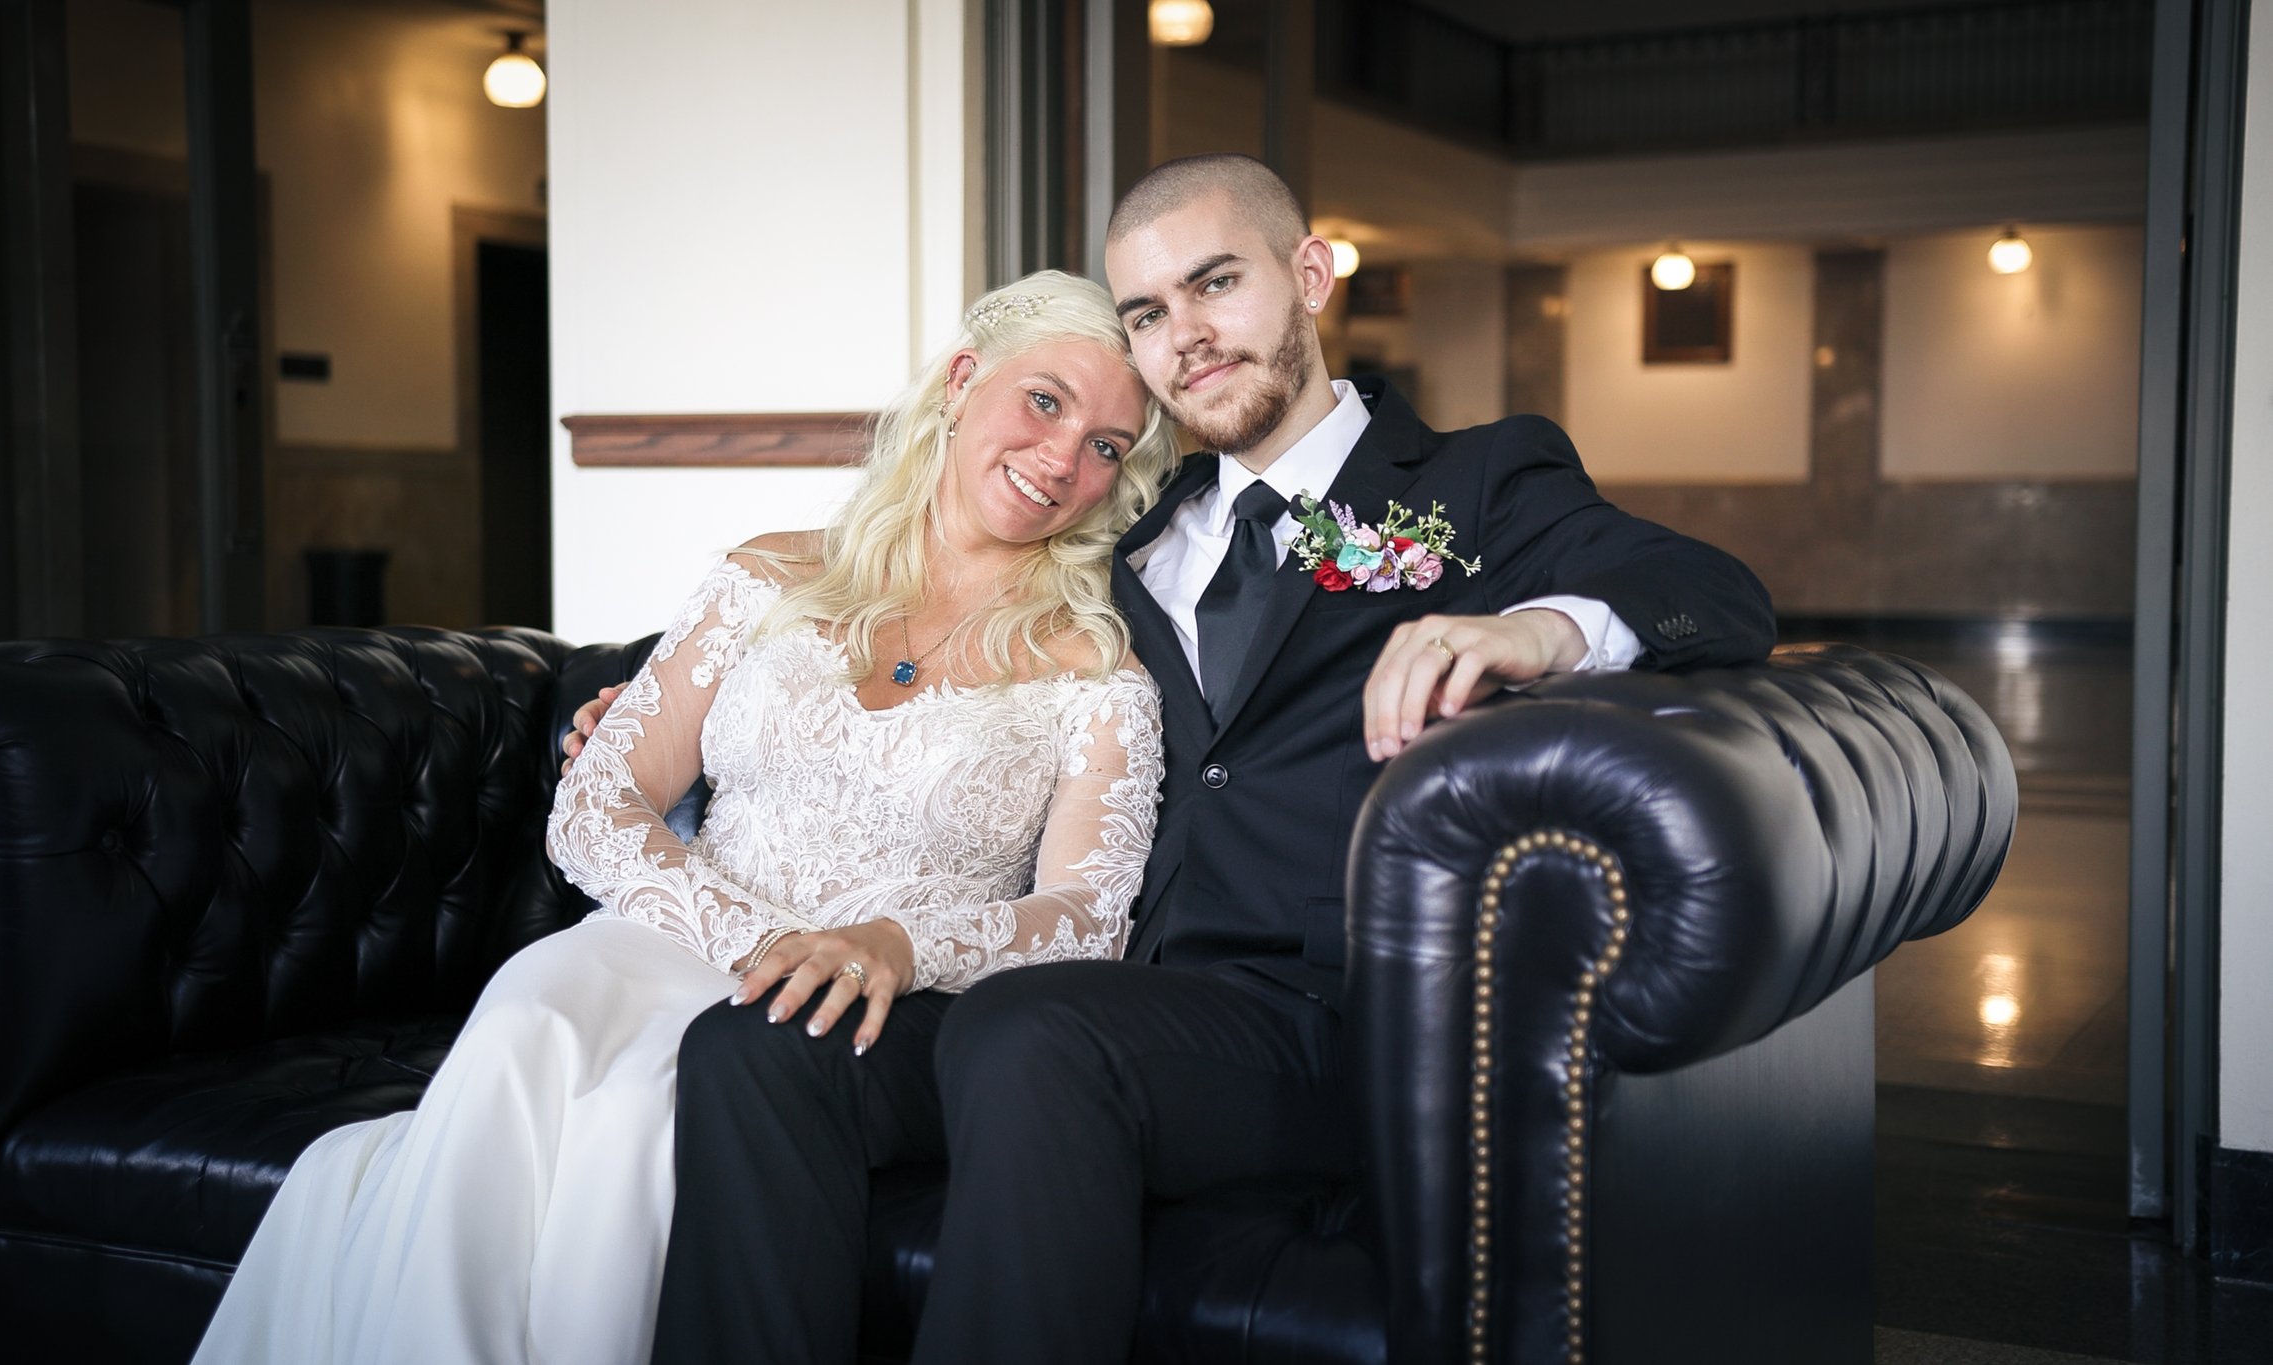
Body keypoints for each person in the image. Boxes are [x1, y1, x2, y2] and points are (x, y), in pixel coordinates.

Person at [607, 154, 1779, 1365]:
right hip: (1106, 981)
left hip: (1321, 1021)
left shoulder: (1474, 483)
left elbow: (1714, 592)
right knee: (763, 1042)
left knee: (1032, 1034)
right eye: (1149, 314)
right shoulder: (1129, 531)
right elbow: (925, 632)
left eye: (1215, 284)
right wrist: (651, 705)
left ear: (1308, 275)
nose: (1187, 338)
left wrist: (1535, 629)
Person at [186, 269, 1179, 1365]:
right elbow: (596, 806)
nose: (1064, 459)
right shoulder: (765, 579)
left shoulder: (1097, 672)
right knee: (530, 1017)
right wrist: (750, 937)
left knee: (628, 1130)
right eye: (1045, 402)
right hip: (675, 937)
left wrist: (892, 946)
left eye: (1106, 447)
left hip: (856, 1005)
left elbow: (1085, 919)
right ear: (960, 381)